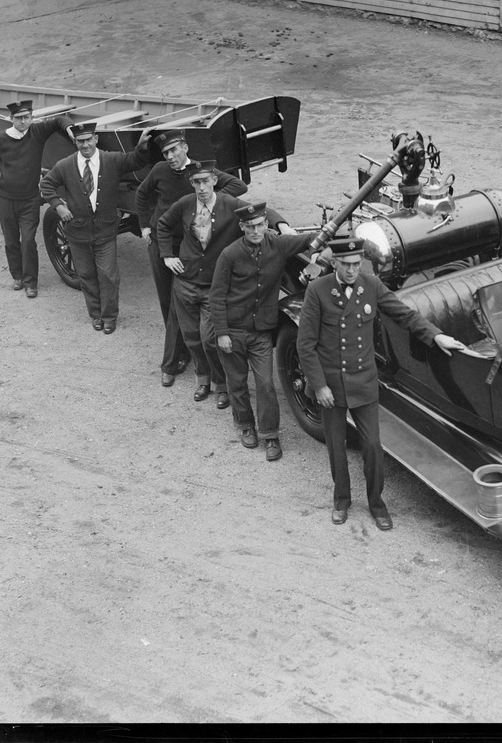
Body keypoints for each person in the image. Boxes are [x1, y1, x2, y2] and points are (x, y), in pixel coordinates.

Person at [296, 237, 466, 530]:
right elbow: (305, 345)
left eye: (356, 265)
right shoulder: (318, 290)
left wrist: (435, 335)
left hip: (363, 380)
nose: (351, 271)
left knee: (373, 445)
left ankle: (376, 503)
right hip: (332, 384)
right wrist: (319, 385)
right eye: (345, 265)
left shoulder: (371, 285)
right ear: (334, 263)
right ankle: (342, 500)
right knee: (336, 446)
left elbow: (404, 314)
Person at [156, 160, 291, 408]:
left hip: (212, 287)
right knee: (192, 337)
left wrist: (281, 224)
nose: (202, 187)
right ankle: (203, 379)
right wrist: (167, 255)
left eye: (206, 181)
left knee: (209, 338)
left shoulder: (230, 204)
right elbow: (163, 224)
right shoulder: (185, 204)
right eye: (196, 182)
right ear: (191, 184)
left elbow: (261, 211)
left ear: (215, 181)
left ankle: (221, 385)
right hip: (184, 283)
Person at [136, 129, 250, 387]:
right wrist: (144, 225)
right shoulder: (160, 170)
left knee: (183, 303)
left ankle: (174, 360)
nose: (171, 156)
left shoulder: (201, 173)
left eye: (174, 150)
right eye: (166, 153)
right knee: (168, 301)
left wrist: (214, 191)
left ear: (185, 148)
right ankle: (179, 353)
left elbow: (239, 186)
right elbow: (142, 195)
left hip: (188, 246)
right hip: (162, 242)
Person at [210, 203, 316, 461]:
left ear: (266, 224)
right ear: (242, 227)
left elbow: (314, 238)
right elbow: (216, 296)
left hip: (260, 334)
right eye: (250, 226)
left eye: (260, 225)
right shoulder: (229, 254)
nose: (255, 231)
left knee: (266, 384)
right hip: (233, 331)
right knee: (236, 383)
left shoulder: (278, 245)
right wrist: (222, 332)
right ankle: (246, 425)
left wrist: (316, 258)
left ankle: (270, 435)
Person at [39, 122, 151, 334]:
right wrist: (58, 206)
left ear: (96, 139)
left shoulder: (111, 160)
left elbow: (135, 160)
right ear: (75, 142)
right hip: (77, 232)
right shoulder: (65, 165)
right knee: (86, 275)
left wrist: (142, 146)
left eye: (89, 140)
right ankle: (96, 315)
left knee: (108, 275)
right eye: (80, 141)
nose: (85, 145)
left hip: (105, 232)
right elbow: (46, 185)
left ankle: (109, 317)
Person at [0, 100, 74, 298]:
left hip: (30, 200)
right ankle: (17, 275)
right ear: (11, 119)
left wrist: (69, 129)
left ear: (32, 118)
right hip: (4, 199)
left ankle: (30, 282)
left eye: (26, 117)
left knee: (28, 241)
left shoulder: (37, 132)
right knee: (11, 241)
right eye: (18, 118)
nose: (23, 121)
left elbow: (60, 119)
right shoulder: (0, 138)